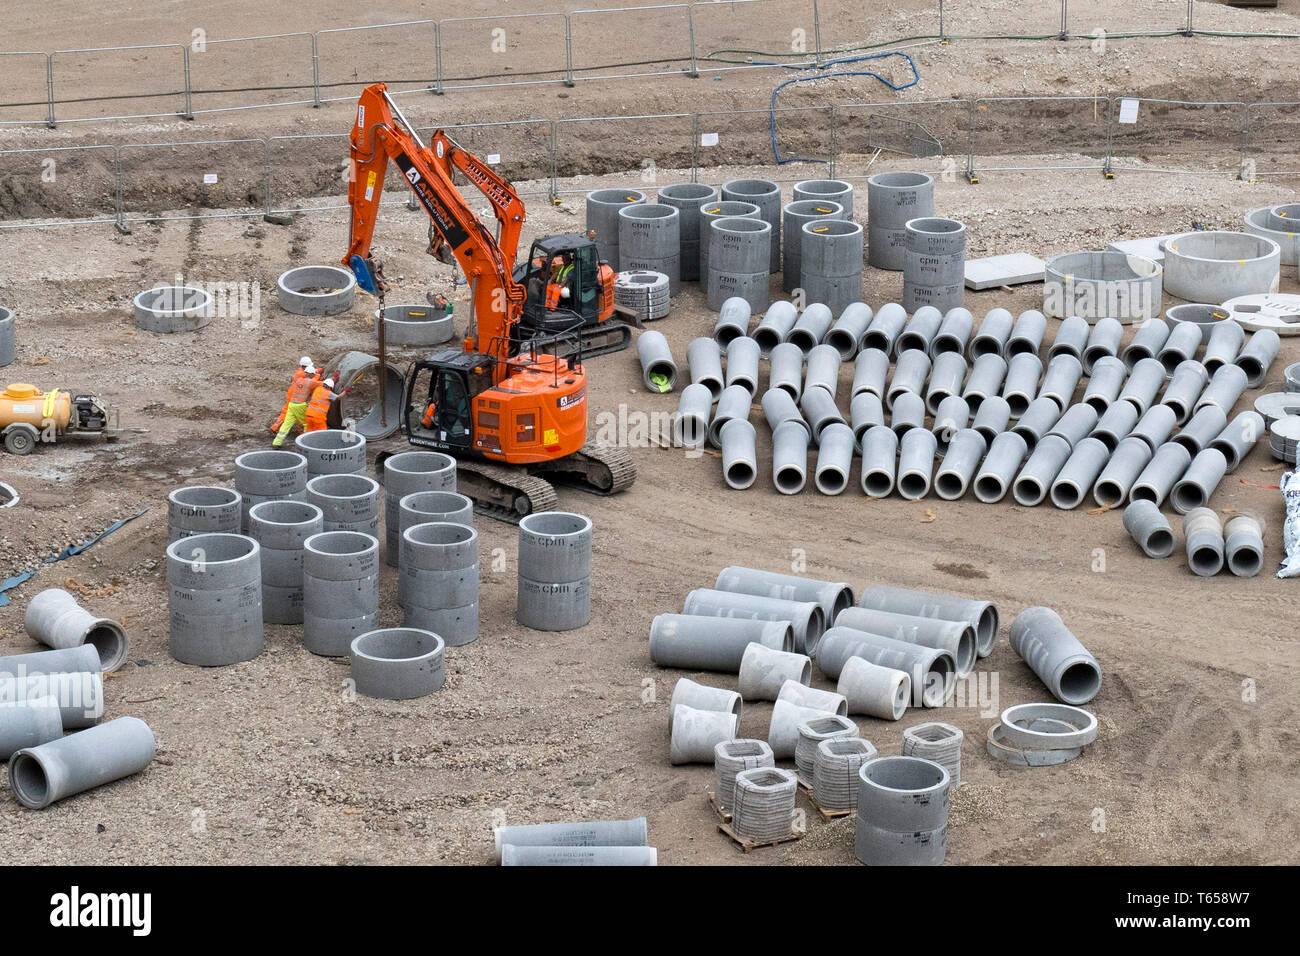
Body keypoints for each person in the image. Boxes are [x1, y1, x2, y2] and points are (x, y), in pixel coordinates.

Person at [272, 357, 319, 447]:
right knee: (305, 422)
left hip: (293, 400)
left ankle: (276, 442)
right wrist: (318, 374)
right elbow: (317, 382)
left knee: (287, 422)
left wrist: (317, 370)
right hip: (297, 401)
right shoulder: (304, 377)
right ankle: (305, 441)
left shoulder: (300, 373)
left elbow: (309, 374)